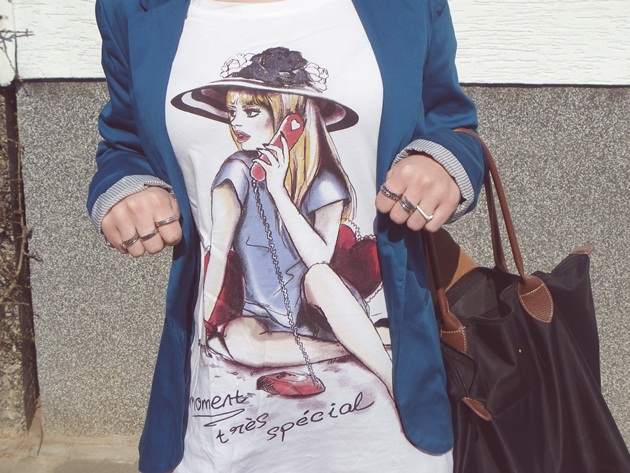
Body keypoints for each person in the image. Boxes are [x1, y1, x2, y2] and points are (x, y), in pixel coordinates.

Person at [89, 0, 486, 472]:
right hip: (237, 386)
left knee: (317, 277)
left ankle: (387, 372)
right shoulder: (133, 10)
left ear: (291, 116)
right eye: (232, 111)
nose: (236, 124)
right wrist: (126, 188)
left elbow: (450, 125)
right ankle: (358, 344)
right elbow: (128, 147)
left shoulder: (324, 179)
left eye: (251, 110)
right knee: (237, 341)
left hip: (326, 306)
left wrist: (441, 163)